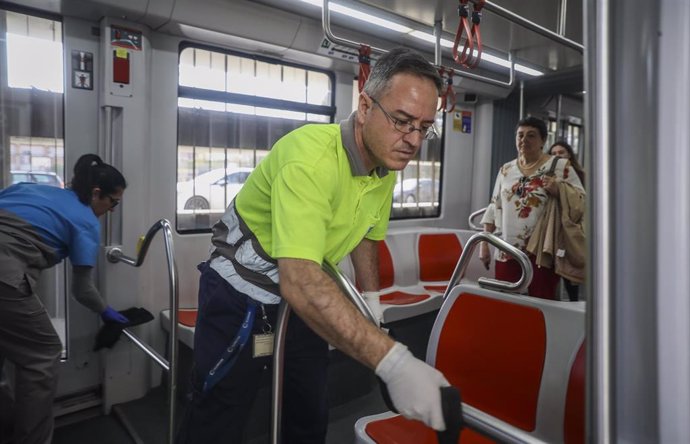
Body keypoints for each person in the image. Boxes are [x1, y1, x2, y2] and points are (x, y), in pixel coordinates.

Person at [177, 47, 449, 444]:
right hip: (242, 294)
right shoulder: (309, 158)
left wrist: (372, 305)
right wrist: (395, 363)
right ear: (365, 106)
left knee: (308, 408)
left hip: (302, 295)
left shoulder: (385, 164)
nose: (412, 141)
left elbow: (367, 236)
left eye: (424, 128)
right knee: (219, 411)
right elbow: (300, 279)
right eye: (402, 121)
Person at [0, 154, 129, 444]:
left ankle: (5, 427)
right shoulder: (86, 222)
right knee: (43, 353)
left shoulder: (30, 189)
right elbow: (82, 289)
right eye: (114, 202)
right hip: (4, 276)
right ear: (97, 194)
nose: (112, 209)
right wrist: (106, 311)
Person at [478, 117, 585, 300]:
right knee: (506, 302)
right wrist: (484, 244)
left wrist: (559, 190)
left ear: (543, 140)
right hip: (507, 251)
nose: (524, 140)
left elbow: (583, 201)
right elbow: (494, 205)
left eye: (531, 136)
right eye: (520, 135)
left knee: (541, 303)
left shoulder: (560, 166)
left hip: (542, 253)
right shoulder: (506, 169)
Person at [548, 140, 584, 301]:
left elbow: (582, 202)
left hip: (572, 225)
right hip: (553, 226)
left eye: (561, 153)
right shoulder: (547, 175)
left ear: (569, 154)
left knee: (570, 270)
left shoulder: (578, 175)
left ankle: (574, 302)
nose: (557, 156)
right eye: (554, 154)